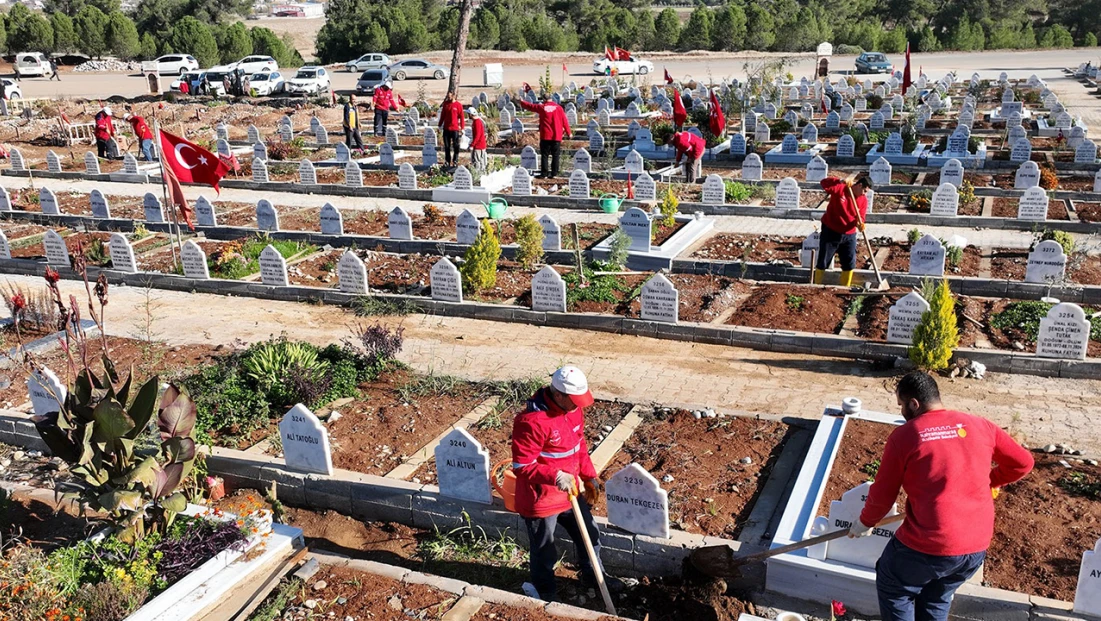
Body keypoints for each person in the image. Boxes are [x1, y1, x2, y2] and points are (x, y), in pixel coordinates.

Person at [850, 371, 1034, 621]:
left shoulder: (906, 436)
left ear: (914, 404)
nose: (902, 412)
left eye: (902, 406)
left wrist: (865, 523)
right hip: (974, 548)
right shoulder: (981, 425)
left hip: (928, 546)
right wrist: (988, 481)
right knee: (936, 598)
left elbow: (883, 495)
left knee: (895, 588)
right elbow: (1022, 463)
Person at [512, 366, 627, 603]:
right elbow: (522, 466)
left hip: (571, 492)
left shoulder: (573, 411)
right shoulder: (531, 422)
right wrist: (555, 476)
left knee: (590, 538)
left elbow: (579, 447)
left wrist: (589, 477)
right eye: (573, 400)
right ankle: (545, 593)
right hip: (541, 498)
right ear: (558, 395)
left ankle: (594, 577)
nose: (578, 405)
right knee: (544, 551)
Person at [814, 175, 871, 287]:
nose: (864, 194)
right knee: (823, 261)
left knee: (849, 263)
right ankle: (816, 286)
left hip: (849, 234)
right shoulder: (841, 189)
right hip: (831, 231)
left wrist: (860, 224)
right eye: (864, 190)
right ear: (859, 185)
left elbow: (861, 216)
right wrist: (839, 180)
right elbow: (824, 183)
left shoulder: (862, 200)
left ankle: (844, 288)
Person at [517, 94, 571, 178]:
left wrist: (522, 102)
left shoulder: (542, 107)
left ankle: (544, 173)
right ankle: (554, 173)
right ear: (551, 98)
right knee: (555, 155)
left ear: (543, 99)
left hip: (546, 135)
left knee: (545, 155)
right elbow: (564, 121)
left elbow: (531, 106)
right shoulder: (559, 108)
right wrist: (569, 132)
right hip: (556, 135)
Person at [438, 91, 464, 167]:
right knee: (447, 146)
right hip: (446, 128)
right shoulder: (446, 104)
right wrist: (439, 125)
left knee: (456, 145)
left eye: (450, 96)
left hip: (455, 129)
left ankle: (455, 160)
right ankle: (447, 160)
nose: (448, 98)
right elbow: (442, 115)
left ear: (453, 96)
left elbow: (461, 117)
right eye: (447, 96)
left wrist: (462, 128)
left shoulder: (458, 105)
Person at [469, 107, 487, 173]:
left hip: (478, 146)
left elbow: (477, 135)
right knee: (481, 161)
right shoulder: (476, 121)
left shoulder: (477, 122)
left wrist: (472, 145)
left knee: (477, 162)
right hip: (481, 145)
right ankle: (482, 174)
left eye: (468, 114)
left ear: (471, 114)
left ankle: (478, 175)